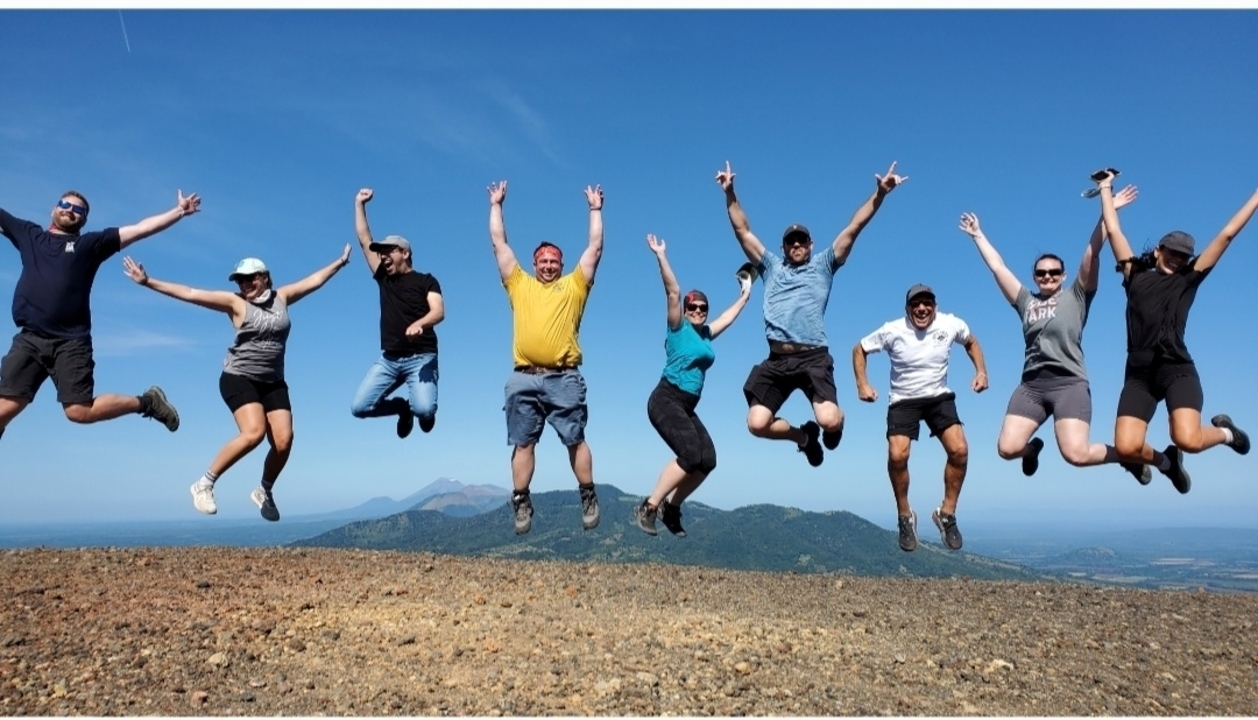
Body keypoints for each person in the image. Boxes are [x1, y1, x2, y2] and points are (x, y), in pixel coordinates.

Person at [123, 247, 350, 521]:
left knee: (283, 440)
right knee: (254, 432)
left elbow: (313, 282)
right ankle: (204, 484)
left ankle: (263, 490)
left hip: (273, 381)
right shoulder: (236, 303)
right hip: (238, 378)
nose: (245, 284)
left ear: (265, 277)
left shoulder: (283, 297)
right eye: (240, 280)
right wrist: (148, 282)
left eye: (250, 278)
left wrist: (338, 263)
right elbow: (191, 293)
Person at [957, 186, 1154, 485]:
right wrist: (977, 235)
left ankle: (1128, 457)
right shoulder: (1026, 301)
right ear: (1034, 277)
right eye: (1041, 273)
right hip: (1032, 386)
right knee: (1007, 449)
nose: (1047, 276)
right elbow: (998, 268)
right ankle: (1032, 450)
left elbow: (1092, 250)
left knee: (1076, 455)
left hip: (1069, 383)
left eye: (1053, 272)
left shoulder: (1077, 295)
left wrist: (1109, 207)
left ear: (1063, 276)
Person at [716, 160, 906, 467]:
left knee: (829, 420)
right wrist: (730, 192)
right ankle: (804, 438)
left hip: (813, 357)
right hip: (777, 360)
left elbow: (853, 228)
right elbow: (743, 230)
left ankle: (836, 424)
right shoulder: (770, 267)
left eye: (801, 240)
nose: (796, 245)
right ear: (783, 247)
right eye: (790, 242)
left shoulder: (824, 265)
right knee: (756, 423)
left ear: (810, 244)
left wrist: (880, 195)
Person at [1096, 171, 1257, 493]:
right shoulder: (1134, 275)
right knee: (1127, 448)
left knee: (1188, 439)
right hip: (1139, 374)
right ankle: (1168, 463)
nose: (1178, 258)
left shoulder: (1188, 280)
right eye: (1173, 252)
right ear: (1158, 250)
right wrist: (1104, 188)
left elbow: (1225, 235)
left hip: (1176, 370)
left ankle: (1227, 434)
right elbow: (1113, 229)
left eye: (1184, 255)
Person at [0, 189, 199, 443]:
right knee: (5, 408)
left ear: (83, 220)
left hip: (70, 341)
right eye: (65, 205)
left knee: (79, 412)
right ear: (54, 208)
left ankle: (148, 402)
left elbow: (139, 229)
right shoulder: (30, 235)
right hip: (29, 338)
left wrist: (179, 211)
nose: (70, 210)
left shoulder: (89, 245)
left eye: (78, 210)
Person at [487, 179, 604, 535]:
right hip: (523, 376)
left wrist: (595, 210)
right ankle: (521, 501)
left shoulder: (574, 287)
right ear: (534, 263)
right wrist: (496, 205)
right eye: (543, 261)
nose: (549, 266)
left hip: (564, 376)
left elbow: (595, 248)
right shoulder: (519, 284)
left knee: (575, 438)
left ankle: (587, 494)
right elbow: (499, 244)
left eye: (554, 261)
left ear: (562, 263)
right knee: (523, 442)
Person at [852, 284, 988, 552]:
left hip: (938, 397)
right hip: (903, 400)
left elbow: (971, 341)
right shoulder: (893, 329)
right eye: (916, 304)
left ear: (935, 307)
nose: (922, 308)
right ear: (907, 309)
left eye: (927, 303)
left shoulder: (951, 324)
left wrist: (981, 371)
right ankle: (905, 516)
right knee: (898, 455)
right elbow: (859, 349)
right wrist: (862, 384)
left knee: (960, 450)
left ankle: (946, 515)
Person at [633, 233, 752, 537]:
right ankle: (649, 507)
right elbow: (673, 292)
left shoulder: (706, 335)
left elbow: (727, 317)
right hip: (665, 399)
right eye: (693, 307)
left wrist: (744, 295)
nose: (698, 310)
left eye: (703, 307)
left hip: (686, 406)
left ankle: (673, 508)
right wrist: (661, 255)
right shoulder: (678, 328)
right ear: (686, 310)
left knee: (706, 460)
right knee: (689, 455)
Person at [350, 189, 445, 438]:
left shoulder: (426, 281)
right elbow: (363, 237)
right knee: (359, 407)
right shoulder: (384, 279)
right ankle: (403, 409)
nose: (383, 256)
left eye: (389, 251)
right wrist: (359, 204)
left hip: (421, 357)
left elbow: (438, 312)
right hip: (390, 359)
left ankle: (422, 412)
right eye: (381, 253)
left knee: (424, 409)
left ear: (405, 253)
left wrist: (421, 324)